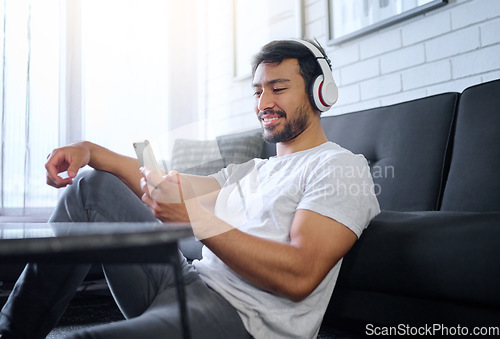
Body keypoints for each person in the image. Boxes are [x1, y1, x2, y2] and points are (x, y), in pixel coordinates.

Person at [0, 39, 380, 339]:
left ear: (320, 92)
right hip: (186, 280)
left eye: (278, 88)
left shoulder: (339, 166)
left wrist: (197, 220)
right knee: (93, 185)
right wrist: (90, 150)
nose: (263, 102)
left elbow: (300, 275)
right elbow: (167, 188)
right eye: (257, 91)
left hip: (242, 318)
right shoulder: (252, 169)